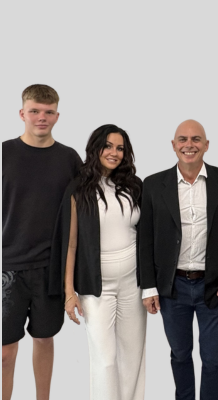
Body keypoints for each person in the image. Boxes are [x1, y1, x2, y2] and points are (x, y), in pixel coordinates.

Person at [139, 119, 218, 400]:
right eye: (183, 140)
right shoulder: (153, 184)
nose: (189, 145)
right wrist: (148, 287)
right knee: (180, 354)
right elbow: (145, 240)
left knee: (213, 359)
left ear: (206, 145)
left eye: (196, 139)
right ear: (173, 146)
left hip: (215, 286)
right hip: (172, 287)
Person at [48, 124, 146, 400]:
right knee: (105, 360)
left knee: (132, 357)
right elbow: (71, 244)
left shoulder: (134, 186)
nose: (114, 153)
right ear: (96, 148)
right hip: (96, 286)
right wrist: (70, 293)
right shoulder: (79, 188)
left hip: (133, 283)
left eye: (120, 148)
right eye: (108, 146)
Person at [2, 84, 81, 400]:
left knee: (44, 339)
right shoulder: (4, 153)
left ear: (57, 116)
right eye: (34, 111)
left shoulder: (69, 158)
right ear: (22, 113)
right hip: (8, 266)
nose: (41, 117)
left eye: (48, 112)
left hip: (51, 268)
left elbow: (84, 211)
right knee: (5, 351)